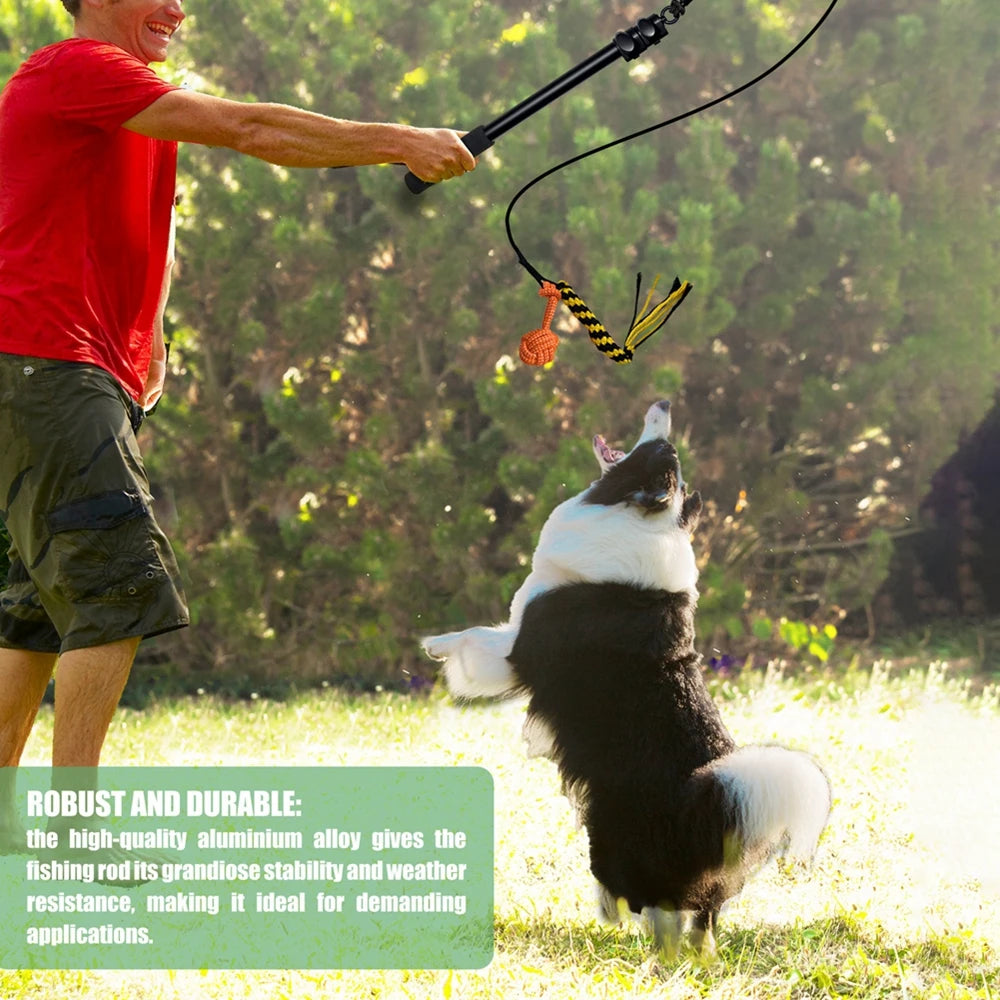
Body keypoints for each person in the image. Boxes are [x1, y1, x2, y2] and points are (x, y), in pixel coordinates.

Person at [0, 0, 476, 854]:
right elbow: (251, 128)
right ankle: (75, 828)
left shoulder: (129, 98)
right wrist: (399, 140)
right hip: (46, 363)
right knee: (117, 586)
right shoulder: (78, 68)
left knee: (36, 604)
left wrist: (146, 340)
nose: (178, 8)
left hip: (57, 368)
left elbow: (144, 230)